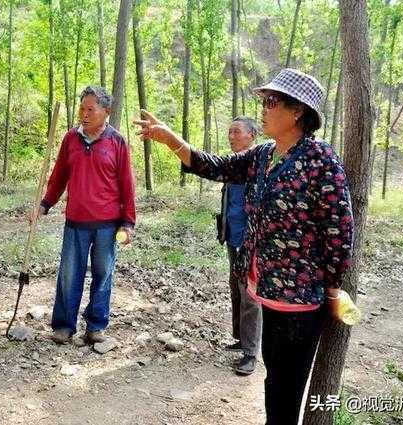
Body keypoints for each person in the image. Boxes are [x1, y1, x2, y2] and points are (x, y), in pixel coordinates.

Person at [134, 68, 354, 425]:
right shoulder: (263, 154)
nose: (263, 109)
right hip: (265, 285)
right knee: (275, 379)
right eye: (264, 101)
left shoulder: (321, 160)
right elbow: (216, 166)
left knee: (286, 384)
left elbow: (339, 231)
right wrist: (172, 140)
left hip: (299, 297)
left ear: (297, 111)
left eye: (272, 102)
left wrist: (332, 287)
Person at [36, 85, 136, 345]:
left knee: (103, 274)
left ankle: (96, 326)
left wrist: (128, 221)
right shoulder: (71, 139)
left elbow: (127, 184)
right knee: (69, 274)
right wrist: (45, 203)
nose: (85, 113)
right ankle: (64, 326)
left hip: (107, 223)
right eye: (82, 108)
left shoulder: (117, 141)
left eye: (91, 109)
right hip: (76, 222)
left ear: (106, 111)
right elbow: (59, 176)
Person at [217, 117, 262, 376]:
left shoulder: (256, 165)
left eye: (236, 132)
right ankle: (240, 339)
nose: (231, 136)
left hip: (251, 242)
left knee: (250, 296)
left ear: (251, 136)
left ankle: (250, 353)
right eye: (229, 131)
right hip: (233, 238)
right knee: (236, 289)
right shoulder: (232, 166)